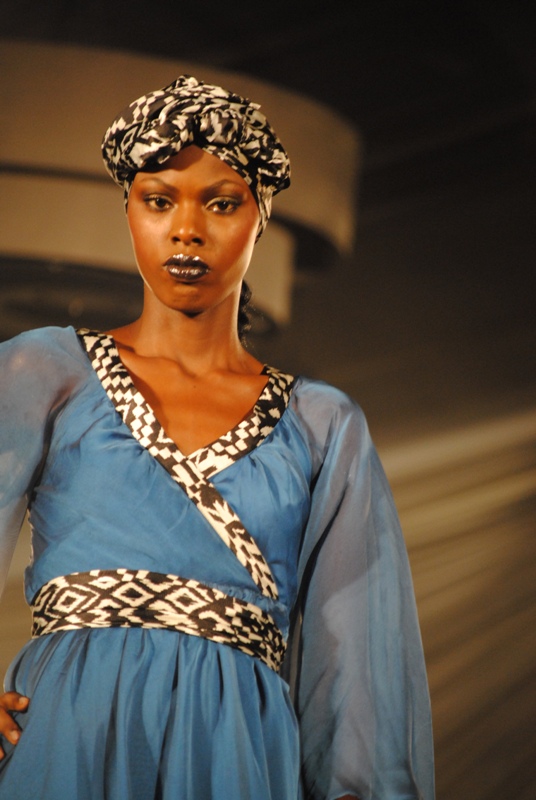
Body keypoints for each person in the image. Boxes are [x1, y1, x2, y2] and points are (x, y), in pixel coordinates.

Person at [0, 75, 434, 799]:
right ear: (128, 208)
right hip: (67, 738)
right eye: (159, 200)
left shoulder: (321, 425)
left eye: (222, 202)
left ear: (262, 215)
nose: (187, 229)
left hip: (235, 752)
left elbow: (359, 654)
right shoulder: (44, 371)